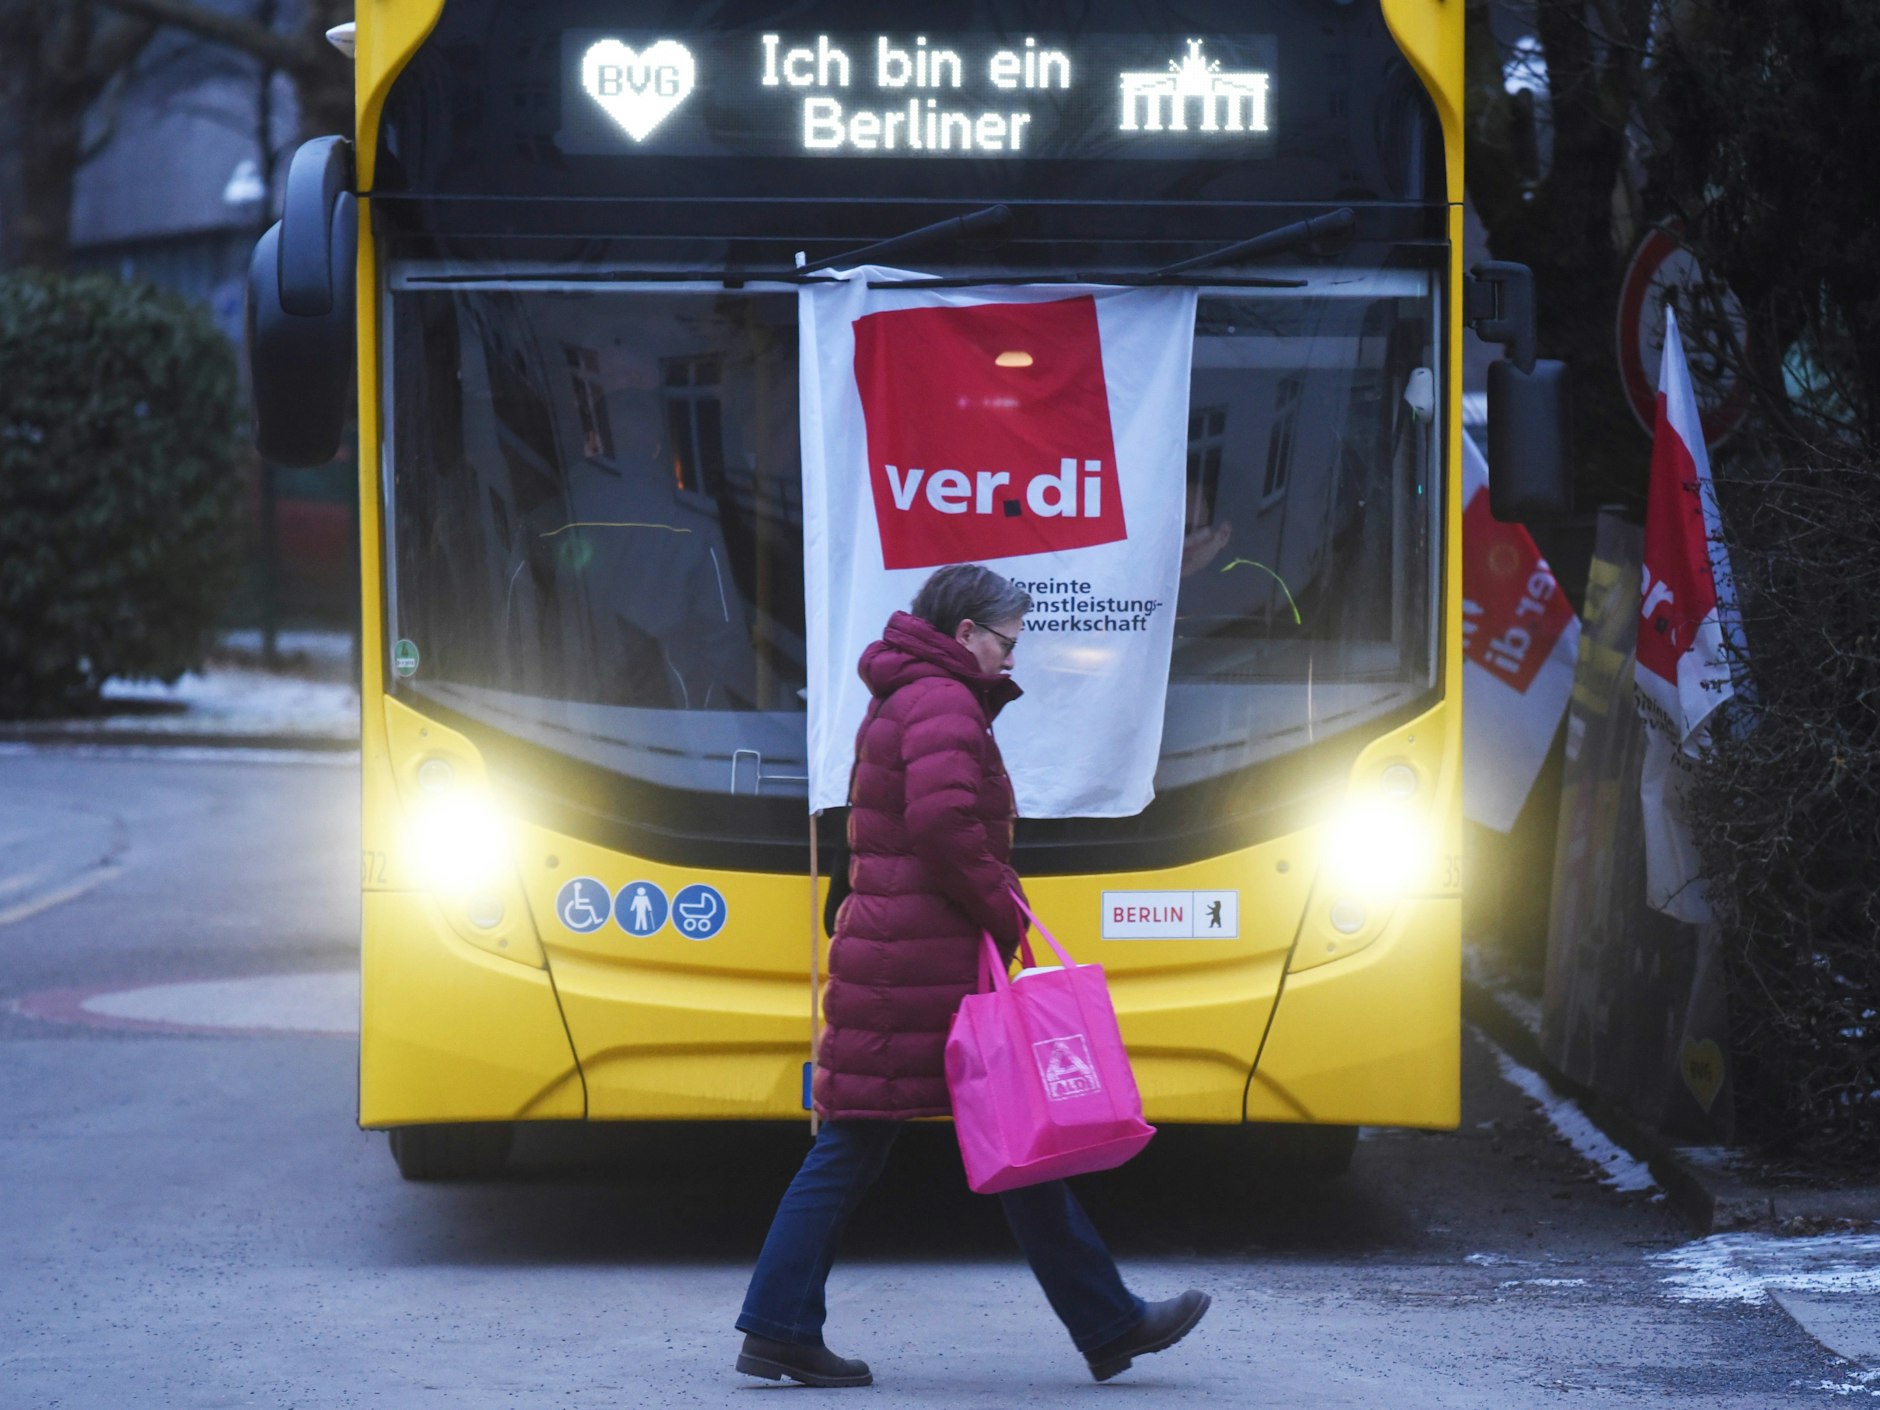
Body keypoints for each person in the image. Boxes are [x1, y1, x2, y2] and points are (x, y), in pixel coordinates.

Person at [734, 563, 1209, 1388]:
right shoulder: (944, 700)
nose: (1011, 660)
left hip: (904, 956)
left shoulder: (912, 691)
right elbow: (943, 822)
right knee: (876, 1143)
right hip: (919, 960)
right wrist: (1007, 908)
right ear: (965, 636)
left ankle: (1106, 1323)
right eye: (1006, 642)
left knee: (993, 1138)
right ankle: (1105, 1322)